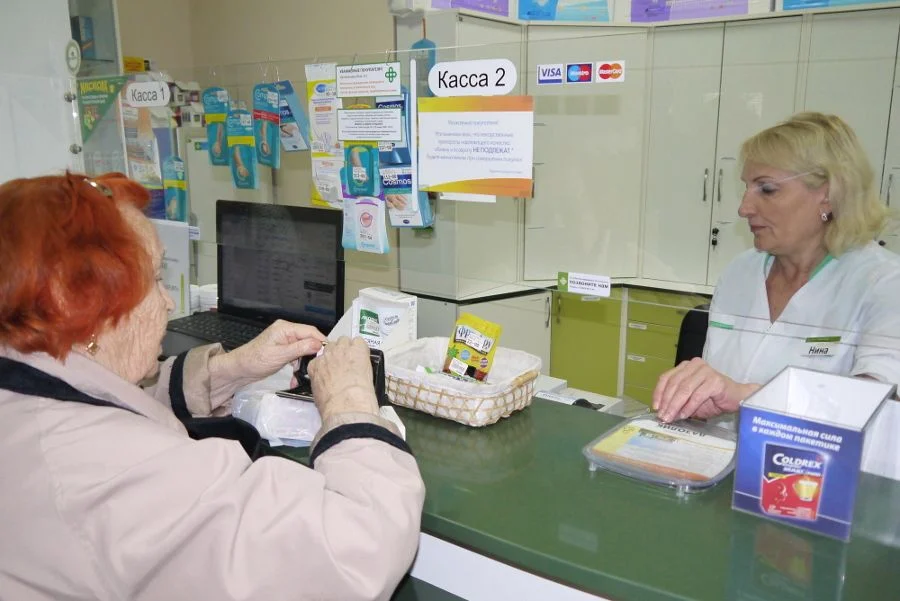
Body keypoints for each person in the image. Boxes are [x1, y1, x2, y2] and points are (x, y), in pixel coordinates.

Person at [0, 172, 425, 601]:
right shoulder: (114, 471)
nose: (167, 301)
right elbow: (356, 550)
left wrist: (230, 370)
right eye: (154, 278)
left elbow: (99, 402)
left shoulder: (25, 394)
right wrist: (350, 404)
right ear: (80, 305)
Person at [653, 112, 900, 424]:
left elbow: (882, 403)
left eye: (767, 189)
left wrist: (746, 396)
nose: (744, 208)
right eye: (746, 188)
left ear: (827, 195)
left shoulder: (884, 283)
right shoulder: (740, 271)